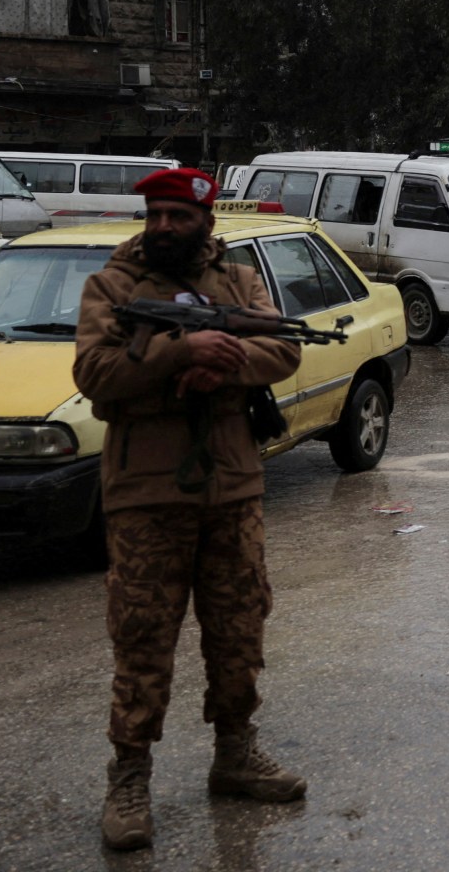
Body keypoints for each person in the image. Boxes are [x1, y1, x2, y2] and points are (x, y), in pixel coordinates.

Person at [72, 168, 307, 852]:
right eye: (155, 215)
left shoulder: (239, 281)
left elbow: (284, 346)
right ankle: (129, 777)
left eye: (178, 216)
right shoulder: (112, 286)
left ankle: (235, 753)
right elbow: (93, 373)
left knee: (239, 627)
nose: (164, 226)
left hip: (231, 485)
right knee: (142, 635)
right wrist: (180, 352)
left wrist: (224, 363)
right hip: (145, 489)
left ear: (205, 220)